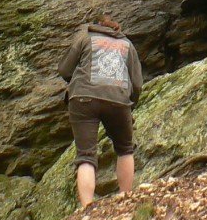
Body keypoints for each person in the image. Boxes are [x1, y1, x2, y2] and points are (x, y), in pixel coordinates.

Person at [58, 14, 143, 209]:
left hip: (83, 99)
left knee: (86, 156)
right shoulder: (128, 45)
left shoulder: (85, 37)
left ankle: (88, 207)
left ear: (95, 25)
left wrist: (78, 81)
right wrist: (131, 105)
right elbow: (137, 84)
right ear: (116, 28)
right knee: (125, 149)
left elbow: (64, 69)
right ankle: (125, 198)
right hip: (118, 101)